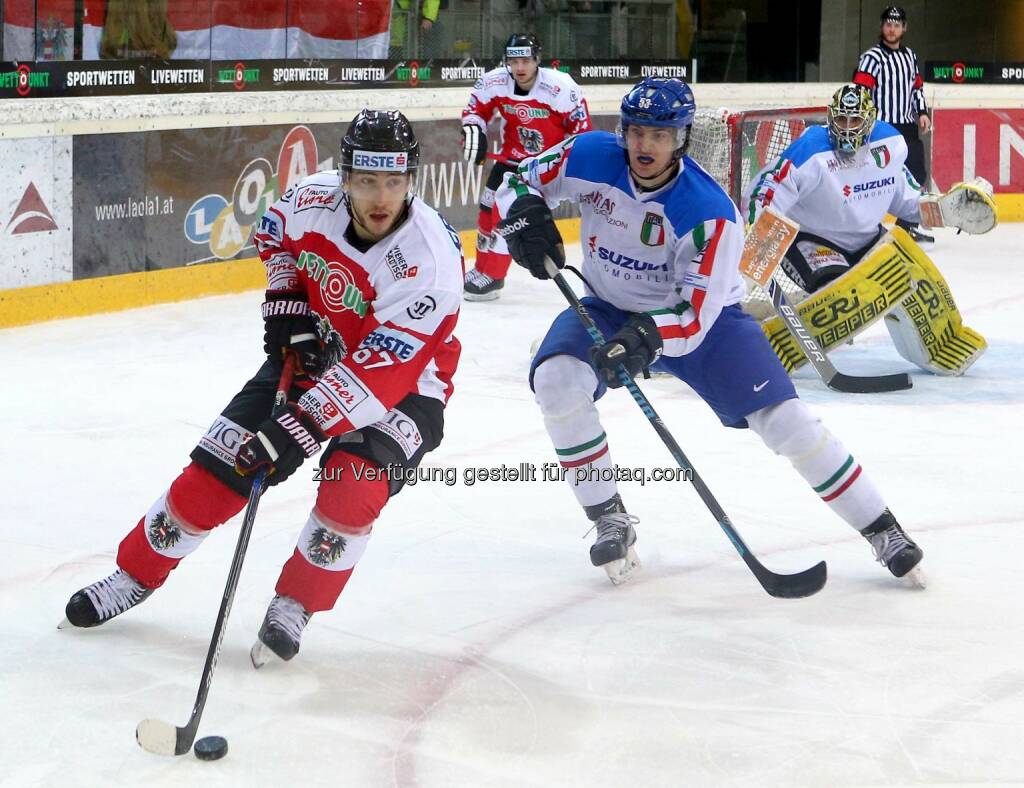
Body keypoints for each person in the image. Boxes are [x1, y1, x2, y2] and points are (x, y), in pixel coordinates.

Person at [61, 110, 464, 666]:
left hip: (408, 385)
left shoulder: (431, 262)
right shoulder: (311, 199)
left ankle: (295, 605)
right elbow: (273, 233)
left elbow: (382, 372)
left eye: (394, 182)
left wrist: (297, 428)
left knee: (353, 488)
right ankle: (134, 575)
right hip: (317, 352)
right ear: (344, 176)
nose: (380, 197)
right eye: (367, 181)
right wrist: (288, 303)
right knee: (220, 468)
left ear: (410, 180)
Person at [494, 77, 923, 585]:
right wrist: (521, 214)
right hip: (609, 308)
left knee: (786, 421)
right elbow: (513, 178)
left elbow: (694, 319)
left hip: (706, 325)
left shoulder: (710, 214)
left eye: (659, 135)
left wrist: (644, 340)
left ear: (682, 138)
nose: (644, 145)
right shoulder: (589, 154)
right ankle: (608, 515)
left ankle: (881, 528)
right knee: (556, 381)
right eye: (636, 132)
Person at [744, 84, 994, 376]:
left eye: (855, 121)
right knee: (848, 296)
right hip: (811, 240)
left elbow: (907, 201)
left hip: (866, 239)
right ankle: (763, 344)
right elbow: (768, 187)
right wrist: (759, 230)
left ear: (870, 120)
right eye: (841, 120)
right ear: (830, 118)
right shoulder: (812, 149)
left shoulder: (889, 145)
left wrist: (945, 210)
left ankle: (942, 343)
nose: (847, 129)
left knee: (916, 277)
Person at [461, 32, 591, 301]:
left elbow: (581, 132)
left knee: (507, 215)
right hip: (511, 161)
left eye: (525, 61)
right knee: (487, 207)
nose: (519, 68)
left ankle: (494, 275)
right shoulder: (495, 81)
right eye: (513, 61)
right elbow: (476, 109)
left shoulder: (559, 87)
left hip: (545, 167)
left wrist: (567, 167)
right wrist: (474, 129)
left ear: (537, 60)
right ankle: (483, 268)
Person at [853, 5, 932, 243]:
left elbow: (916, 88)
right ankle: (867, 228)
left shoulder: (910, 56)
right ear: (881, 26)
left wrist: (922, 113)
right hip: (881, 128)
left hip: (907, 126)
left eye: (897, 25)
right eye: (888, 24)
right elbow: (861, 92)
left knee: (917, 173)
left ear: (904, 28)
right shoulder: (871, 57)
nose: (892, 28)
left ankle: (906, 226)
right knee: (874, 177)